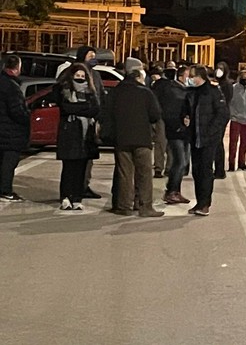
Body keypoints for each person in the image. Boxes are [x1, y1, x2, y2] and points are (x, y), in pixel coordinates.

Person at [102, 58, 164, 217]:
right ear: (138, 75)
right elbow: (155, 115)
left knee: (125, 174)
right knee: (144, 175)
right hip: (142, 139)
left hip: (121, 139)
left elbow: (106, 115)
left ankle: (123, 206)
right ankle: (145, 207)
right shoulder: (145, 92)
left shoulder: (115, 92)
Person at [182, 65, 230, 216]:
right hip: (194, 137)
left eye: (192, 76)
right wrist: (184, 118)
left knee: (206, 171)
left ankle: (205, 204)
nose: (189, 79)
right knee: (197, 171)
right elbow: (185, 110)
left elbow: (223, 115)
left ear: (199, 77)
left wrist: (211, 132)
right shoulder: (190, 92)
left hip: (208, 139)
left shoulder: (213, 92)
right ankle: (199, 202)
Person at [55, 63, 101, 210]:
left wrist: (77, 110)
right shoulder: (65, 90)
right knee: (69, 168)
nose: (80, 78)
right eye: (77, 76)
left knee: (81, 169)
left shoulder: (90, 92)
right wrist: (84, 108)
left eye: (82, 76)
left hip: (85, 137)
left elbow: (95, 109)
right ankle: (65, 197)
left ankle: (77, 198)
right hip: (70, 134)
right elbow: (66, 108)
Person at [156, 65, 191, 205]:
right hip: (176, 131)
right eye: (189, 76)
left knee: (183, 162)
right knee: (179, 161)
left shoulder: (184, 90)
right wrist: (178, 125)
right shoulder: (173, 90)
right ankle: (171, 191)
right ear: (182, 76)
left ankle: (175, 191)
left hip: (184, 132)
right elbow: (169, 112)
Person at [75, 45, 105, 200]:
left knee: (89, 155)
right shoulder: (76, 73)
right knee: (77, 155)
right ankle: (75, 186)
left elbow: (100, 95)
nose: (93, 58)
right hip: (79, 120)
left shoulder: (95, 74)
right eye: (90, 56)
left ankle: (84, 185)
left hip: (93, 119)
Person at [0, 55, 30, 202]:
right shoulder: (12, 86)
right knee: (9, 163)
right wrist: (27, 117)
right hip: (10, 131)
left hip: (4, 130)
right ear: (17, 68)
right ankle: (5, 190)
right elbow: (16, 111)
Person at [214, 61, 233, 179]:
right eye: (217, 68)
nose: (218, 70)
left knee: (218, 142)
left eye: (221, 68)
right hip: (218, 114)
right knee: (216, 142)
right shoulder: (217, 83)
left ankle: (220, 170)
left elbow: (227, 99)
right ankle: (218, 169)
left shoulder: (226, 84)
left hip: (222, 115)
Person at [149, 65, 169, 178]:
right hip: (168, 117)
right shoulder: (171, 85)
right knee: (167, 144)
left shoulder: (156, 85)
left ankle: (158, 168)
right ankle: (168, 168)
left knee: (159, 144)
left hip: (159, 117)